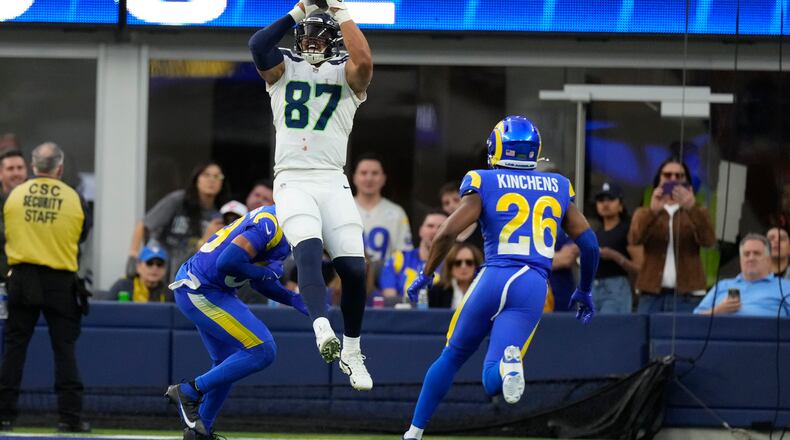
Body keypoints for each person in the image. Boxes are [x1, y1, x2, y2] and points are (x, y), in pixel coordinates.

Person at [402, 116, 599, 440]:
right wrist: (585, 289)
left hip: (495, 275)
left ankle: (414, 433)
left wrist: (426, 273)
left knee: (452, 355)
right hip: (534, 284)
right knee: (492, 378)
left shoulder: (483, 180)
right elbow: (590, 245)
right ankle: (509, 365)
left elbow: (447, 232)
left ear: (497, 147)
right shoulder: (558, 185)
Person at [248, 0, 374, 390]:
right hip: (292, 178)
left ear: (334, 39)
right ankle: (321, 325)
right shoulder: (283, 69)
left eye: (320, 36)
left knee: (354, 270)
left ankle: (352, 350)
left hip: (333, 179)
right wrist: (299, 10)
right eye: (306, 35)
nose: (312, 42)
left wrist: (341, 11)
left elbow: (364, 61)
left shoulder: (346, 74)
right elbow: (258, 45)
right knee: (308, 249)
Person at [165, 204, 308, 440]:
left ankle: (200, 433)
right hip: (200, 288)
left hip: (215, 290)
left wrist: (292, 298)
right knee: (263, 350)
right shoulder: (271, 224)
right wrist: (264, 273)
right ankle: (188, 391)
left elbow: (259, 282)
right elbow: (227, 262)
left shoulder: (286, 226)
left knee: (227, 364)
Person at [0, 143, 92, 433]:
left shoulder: (14, 196)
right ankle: (70, 417)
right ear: (59, 168)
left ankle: (4, 415)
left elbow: (5, 233)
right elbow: (82, 235)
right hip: (60, 280)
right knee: (64, 349)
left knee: (15, 347)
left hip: (22, 278)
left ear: (33, 166)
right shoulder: (74, 198)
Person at [628, 158, 715, 313]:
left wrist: (692, 208)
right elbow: (634, 239)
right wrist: (652, 212)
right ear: (659, 180)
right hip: (651, 294)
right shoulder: (644, 212)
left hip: (688, 295)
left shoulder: (698, 211)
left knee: (686, 329)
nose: (673, 179)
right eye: (667, 175)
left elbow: (708, 241)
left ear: (687, 182)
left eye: (679, 176)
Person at [128, 162, 230, 282]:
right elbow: (144, 225)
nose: (211, 180)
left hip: (186, 273)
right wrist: (133, 256)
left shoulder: (220, 214)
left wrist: (208, 239)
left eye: (217, 176)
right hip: (159, 265)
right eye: (206, 175)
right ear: (196, 179)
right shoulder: (178, 200)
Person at [694, 233, 790, 317]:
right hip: (723, 331)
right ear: (740, 260)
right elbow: (695, 320)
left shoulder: (785, 287)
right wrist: (718, 310)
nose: (751, 258)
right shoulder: (722, 285)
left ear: (768, 260)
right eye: (746, 254)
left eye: (757, 253)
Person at [353, 153, 412, 264]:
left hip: (386, 274)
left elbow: (405, 254)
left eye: (375, 173)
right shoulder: (342, 209)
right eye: (363, 173)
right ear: (354, 177)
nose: (369, 178)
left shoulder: (397, 212)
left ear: (384, 178)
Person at [379, 210, 447, 302]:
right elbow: (390, 300)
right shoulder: (399, 258)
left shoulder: (456, 262)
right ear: (420, 230)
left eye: (441, 227)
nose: (435, 231)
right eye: (430, 226)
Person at [593, 182, 639, 313]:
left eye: (611, 199)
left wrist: (616, 256)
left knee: (610, 324)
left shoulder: (628, 229)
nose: (605, 204)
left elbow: (640, 267)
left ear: (621, 205)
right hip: (593, 287)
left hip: (617, 287)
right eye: (601, 200)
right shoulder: (597, 232)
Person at [0, 150, 28, 282]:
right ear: (0, 173)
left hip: (29, 277)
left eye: (20, 168)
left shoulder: (36, 200)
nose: (16, 173)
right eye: (10, 169)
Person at [427, 243, 483, 309]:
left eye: (469, 262)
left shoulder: (484, 291)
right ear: (450, 267)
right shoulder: (437, 291)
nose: (463, 266)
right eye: (458, 263)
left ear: (476, 266)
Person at [439, 182, 484, 251]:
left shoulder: (484, 229)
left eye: (456, 200)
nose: (451, 206)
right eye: (446, 203)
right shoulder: (442, 234)